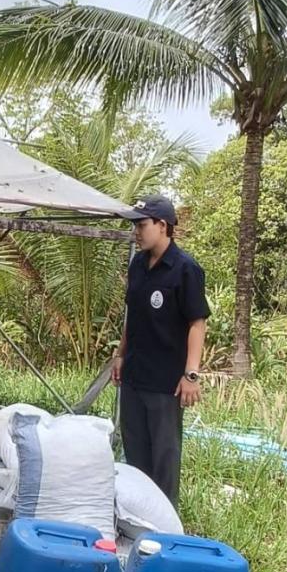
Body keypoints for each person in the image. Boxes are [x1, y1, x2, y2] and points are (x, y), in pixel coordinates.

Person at [111, 196, 210, 508]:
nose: (136, 232)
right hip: (135, 376)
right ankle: (135, 516)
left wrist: (191, 374)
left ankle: (165, 525)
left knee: (164, 459)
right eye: (135, 225)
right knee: (135, 453)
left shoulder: (185, 269)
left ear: (163, 226)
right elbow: (134, 315)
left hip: (166, 383)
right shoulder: (138, 265)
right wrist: (121, 354)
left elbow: (197, 323)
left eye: (141, 225)